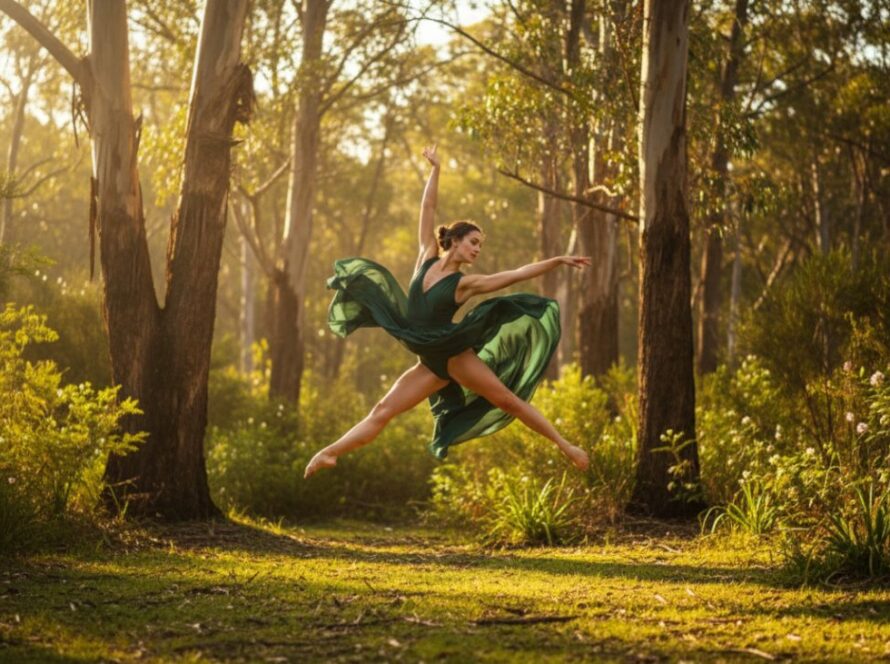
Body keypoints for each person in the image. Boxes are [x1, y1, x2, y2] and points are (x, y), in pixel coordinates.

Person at [304, 144, 591, 479]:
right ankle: (328, 453)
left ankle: (567, 447)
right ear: (454, 240)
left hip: (455, 355)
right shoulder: (425, 255)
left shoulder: (463, 284)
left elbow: (514, 275)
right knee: (382, 410)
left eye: (480, 246)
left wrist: (557, 261)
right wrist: (435, 169)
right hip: (430, 363)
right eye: (473, 242)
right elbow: (428, 206)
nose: (477, 250)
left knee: (507, 401)